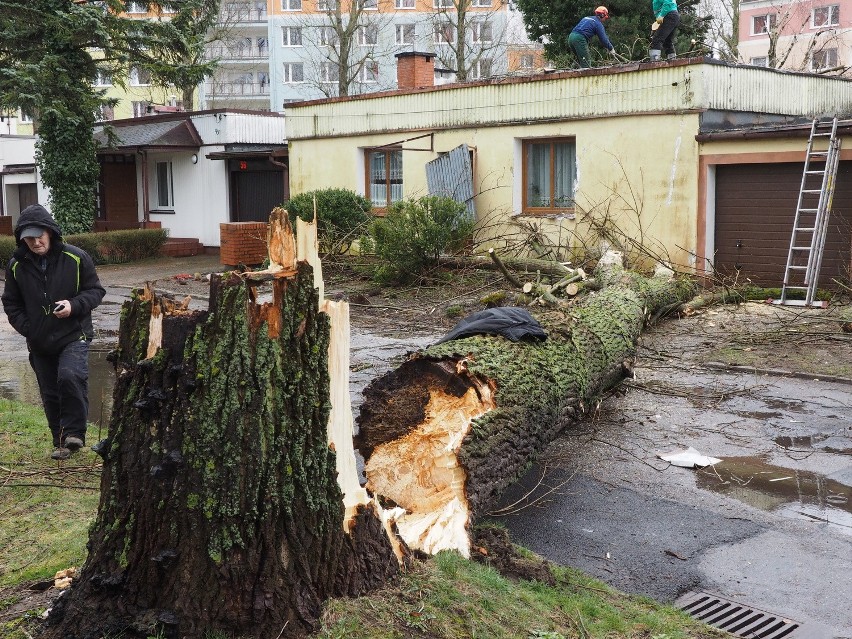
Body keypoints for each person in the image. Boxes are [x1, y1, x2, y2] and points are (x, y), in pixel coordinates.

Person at [2, 204, 105, 460]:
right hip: (39, 341)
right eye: (29, 238)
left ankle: (75, 433)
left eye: (40, 236)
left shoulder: (76, 257)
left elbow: (95, 291)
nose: (36, 242)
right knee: (49, 392)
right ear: (22, 239)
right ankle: (61, 443)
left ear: (50, 232)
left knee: (70, 377)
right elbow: (11, 303)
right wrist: (29, 328)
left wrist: (73, 305)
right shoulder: (16, 266)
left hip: (74, 333)